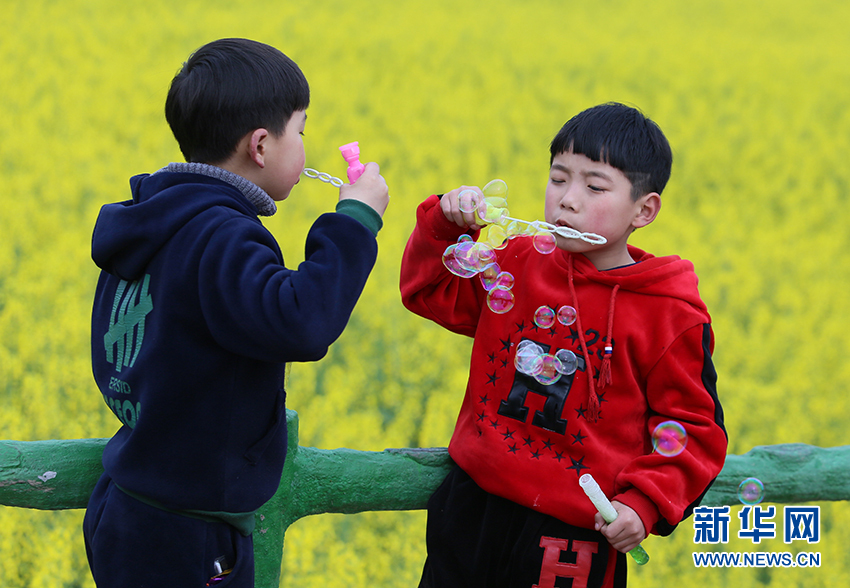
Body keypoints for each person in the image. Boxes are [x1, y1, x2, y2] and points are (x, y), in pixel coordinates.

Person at [83, 38, 389, 587]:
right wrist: (355, 221)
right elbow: (300, 322)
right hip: (189, 534)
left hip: (130, 503)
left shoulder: (156, 219)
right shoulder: (222, 235)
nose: (304, 146)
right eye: (301, 131)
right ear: (261, 146)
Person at [400, 102, 727, 588]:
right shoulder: (516, 261)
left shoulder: (669, 313)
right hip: (472, 506)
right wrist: (445, 226)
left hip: (575, 533)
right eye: (558, 179)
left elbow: (694, 429)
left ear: (645, 209)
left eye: (594, 186)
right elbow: (429, 292)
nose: (567, 200)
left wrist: (643, 505)